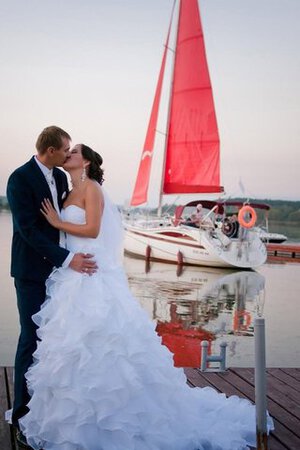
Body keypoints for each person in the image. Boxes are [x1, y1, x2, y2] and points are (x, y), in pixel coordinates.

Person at [19, 144, 273, 450]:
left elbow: (94, 229)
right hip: (71, 276)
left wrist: (58, 222)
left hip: (91, 275)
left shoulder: (93, 189)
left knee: (101, 346)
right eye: (67, 150)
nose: (68, 154)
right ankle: (68, 419)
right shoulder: (66, 189)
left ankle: (115, 419)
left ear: (86, 161)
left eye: (74, 152)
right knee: (69, 349)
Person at [6, 127, 97, 447]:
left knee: (57, 341)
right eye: (65, 149)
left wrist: (69, 261)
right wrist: (66, 258)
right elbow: (28, 229)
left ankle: (49, 408)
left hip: (62, 277)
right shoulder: (19, 179)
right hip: (31, 272)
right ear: (50, 151)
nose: (68, 153)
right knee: (30, 338)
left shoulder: (61, 179)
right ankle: (20, 414)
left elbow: (64, 223)